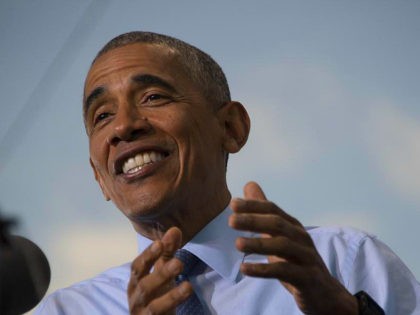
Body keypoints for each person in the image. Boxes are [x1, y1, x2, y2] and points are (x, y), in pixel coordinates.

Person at [34, 31, 420, 315]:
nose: (124, 127)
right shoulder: (67, 310)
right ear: (99, 176)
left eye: (153, 97)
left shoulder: (343, 262)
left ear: (231, 128)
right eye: (102, 116)